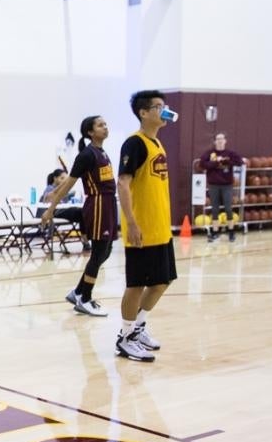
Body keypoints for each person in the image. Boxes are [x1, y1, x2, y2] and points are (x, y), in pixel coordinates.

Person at [114, 90, 179, 362]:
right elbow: (123, 183)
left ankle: (138, 327)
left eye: (165, 106)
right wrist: (131, 222)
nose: (164, 111)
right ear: (144, 113)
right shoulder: (135, 143)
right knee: (136, 285)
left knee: (163, 281)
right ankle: (125, 337)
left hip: (160, 228)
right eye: (158, 107)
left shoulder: (157, 144)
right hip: (141, 228)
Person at [42, 115, 117, 317]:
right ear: (90, 132)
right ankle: (85, 298)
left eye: (105, 124)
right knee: (99, 252)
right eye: (100, 125)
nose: (105, 127)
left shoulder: (102, 152)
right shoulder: (86, 155)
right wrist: (51, 209)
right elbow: (68, 184)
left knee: (107, 251)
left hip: (109, 203)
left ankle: (78, 292)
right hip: (98, 204)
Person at [198, 132, 244, 242]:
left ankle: (231, 232)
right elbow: (202, 164)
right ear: (215, 141)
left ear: (225, 141)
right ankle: (215, 232)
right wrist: (215, 163)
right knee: (215, 209)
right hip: (214, 185)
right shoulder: (209, 153)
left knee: (228, 208)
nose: (219, 141)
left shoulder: (230, 153)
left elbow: (240, 162)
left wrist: (227, 161)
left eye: (221, 139)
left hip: (227, 185)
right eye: (217, 139)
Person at [39, 169, 86, 250]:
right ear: (55, 178)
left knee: (82, 212)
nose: (64, 181)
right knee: (80, 212)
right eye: (62, 178)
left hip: (63, 210)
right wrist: (65, 184)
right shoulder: (50, 188)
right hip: (55, 212)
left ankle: (86, 239)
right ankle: (85, 240)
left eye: (65, 179)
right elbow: (49, 198)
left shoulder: (64, 190)